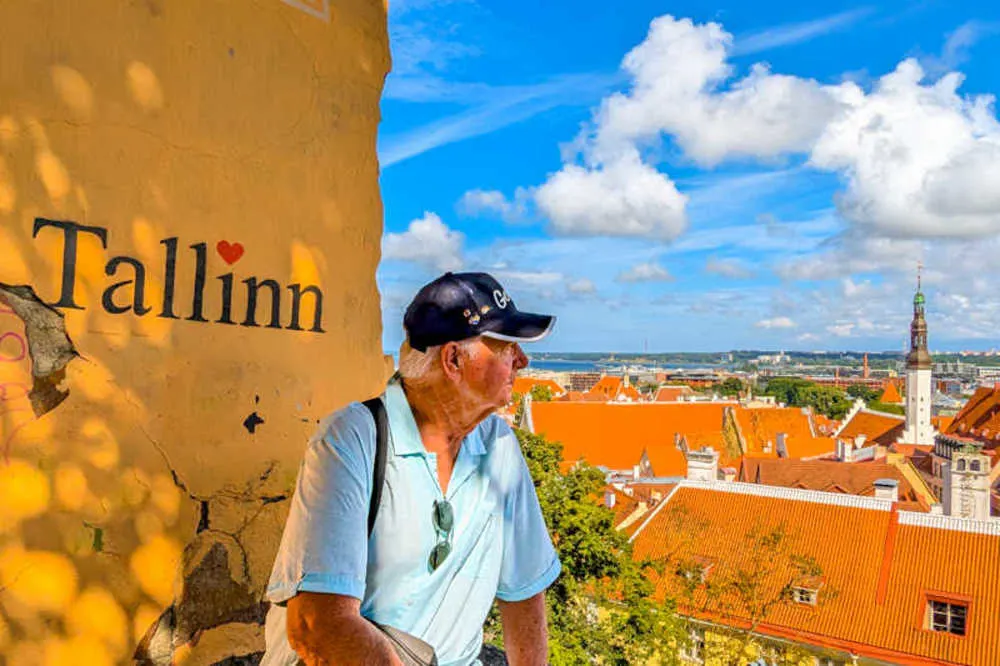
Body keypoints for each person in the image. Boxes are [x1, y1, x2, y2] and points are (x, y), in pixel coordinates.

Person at [262, 272, 561, 666]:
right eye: (505, 347)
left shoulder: (498, 447)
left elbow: (524, 594)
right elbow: (319, 627)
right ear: (453, 359)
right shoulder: (352, 439)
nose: (522, 360)